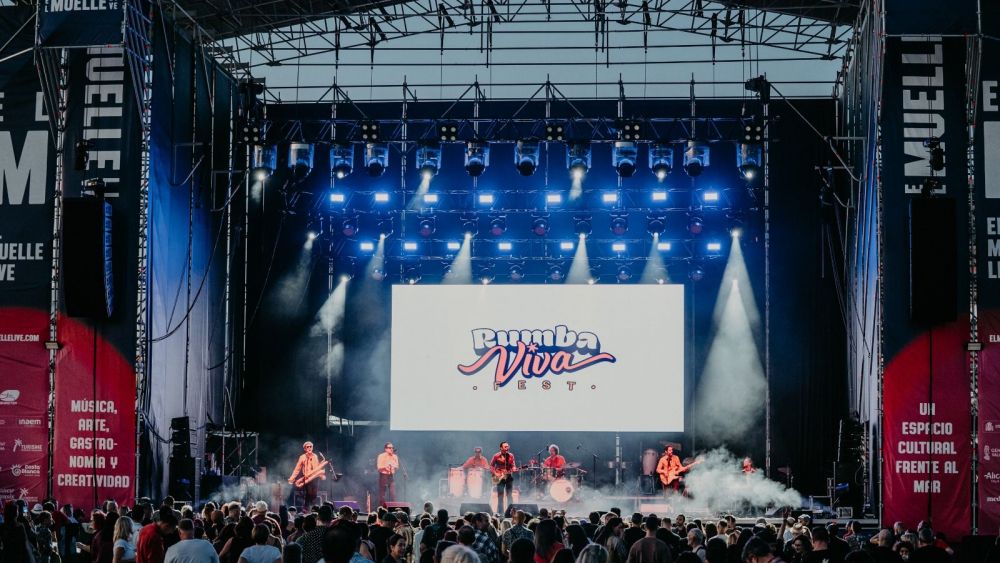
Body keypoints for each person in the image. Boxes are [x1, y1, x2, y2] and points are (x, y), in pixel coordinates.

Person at [289, 442, 326, 510]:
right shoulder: (302, 457)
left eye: (310, 447)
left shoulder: (315, 456)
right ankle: (306, 509)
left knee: (314, 495)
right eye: (307, 447)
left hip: (315, 477)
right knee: (309, 494)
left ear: (312, 448)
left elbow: (317, 467)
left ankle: (312, 509)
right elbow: (297, 469)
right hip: (307, 477)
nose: (309, 448)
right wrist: (292, 478)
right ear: (305, 449)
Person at [491, 442, 517, 517]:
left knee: (509, 495)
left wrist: (514, 469)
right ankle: (500, 513)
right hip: (500, 478)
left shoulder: (511, 455)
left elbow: (513, 465)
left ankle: (510, 513)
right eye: (505, 447)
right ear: (501, 448)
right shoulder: (496, 456)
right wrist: (495, 473)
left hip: (509, 477)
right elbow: (491, 466)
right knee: (500, 496)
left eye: (508, 447)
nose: (507, 448)